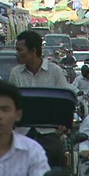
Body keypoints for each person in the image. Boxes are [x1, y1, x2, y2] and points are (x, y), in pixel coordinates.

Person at [9, 30, 69, 167]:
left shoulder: (55, 72)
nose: (17, 53)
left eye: (20, 50)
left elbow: (63, 103)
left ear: (33, 51)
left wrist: (62, 122)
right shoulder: (15, 74)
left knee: (57, 153)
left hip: (48, 132)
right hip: (22, 133)